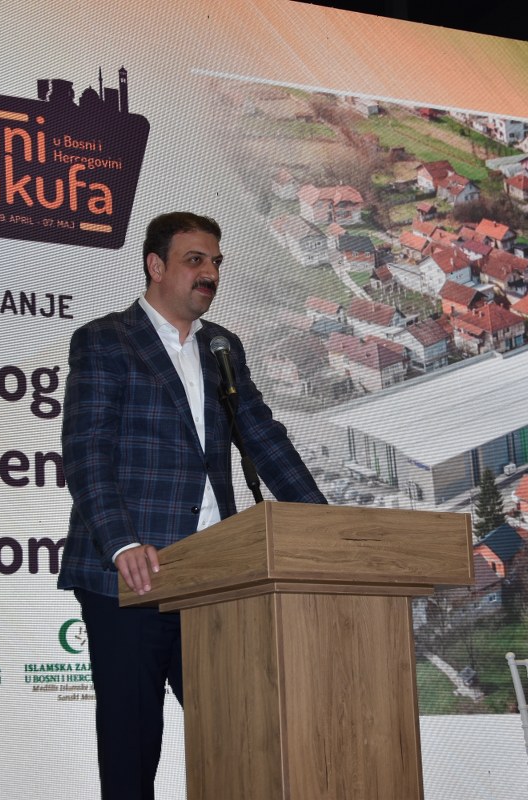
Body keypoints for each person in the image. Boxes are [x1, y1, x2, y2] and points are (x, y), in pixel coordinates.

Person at [58, 211, 326, 800]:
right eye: (195, 260)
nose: (210, 273)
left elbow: (263, 438)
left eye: (216, 262)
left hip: (214, 576)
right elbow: (86, 450)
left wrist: (326, 526)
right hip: (132, 579)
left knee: (240, 737)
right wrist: (121, 542)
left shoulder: (222, 347)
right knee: (131, 751)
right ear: (156, 266)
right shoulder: (106, 340)